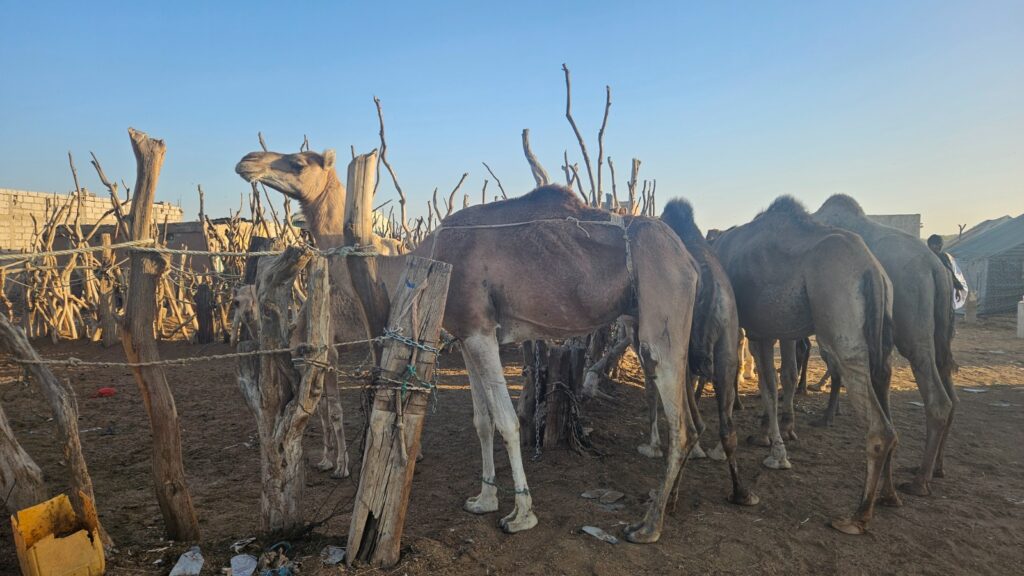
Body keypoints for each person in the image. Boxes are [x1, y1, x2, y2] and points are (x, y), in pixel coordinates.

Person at [927, 234, 968, 309]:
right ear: (930, 245)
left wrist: (957, 288)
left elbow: (950, 273)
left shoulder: (943, 257)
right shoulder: (925, 258)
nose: (939, 247)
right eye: (936, 245)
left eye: (940, 245)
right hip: (928, 291)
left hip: (941, 291)